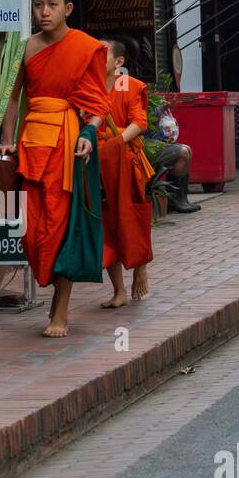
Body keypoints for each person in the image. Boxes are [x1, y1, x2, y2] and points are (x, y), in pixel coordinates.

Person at [0, 0, 108, 337]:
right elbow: (12, 100)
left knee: (61, 228)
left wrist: (89, 134)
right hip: (31, 145)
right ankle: (54, 299)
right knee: (32, 231)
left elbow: (97, 106)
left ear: (68, 9)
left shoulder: (85, 48)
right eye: (39, 4)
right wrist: (8, 141)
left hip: (66, 145)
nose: (44, 11)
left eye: (52, 5)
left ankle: (60, 312)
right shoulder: (26, 48)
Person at [97, 39, 154, 308]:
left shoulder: (129, 86)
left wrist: (117, 142)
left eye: (103, 53)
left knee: (132, 219)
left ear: (119, 62)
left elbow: (139, 122)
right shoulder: (89, 88)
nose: (96, 57)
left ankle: (140, 264)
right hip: (99, 162)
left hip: (127, 162)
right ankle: (118, 290)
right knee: (106, 224)